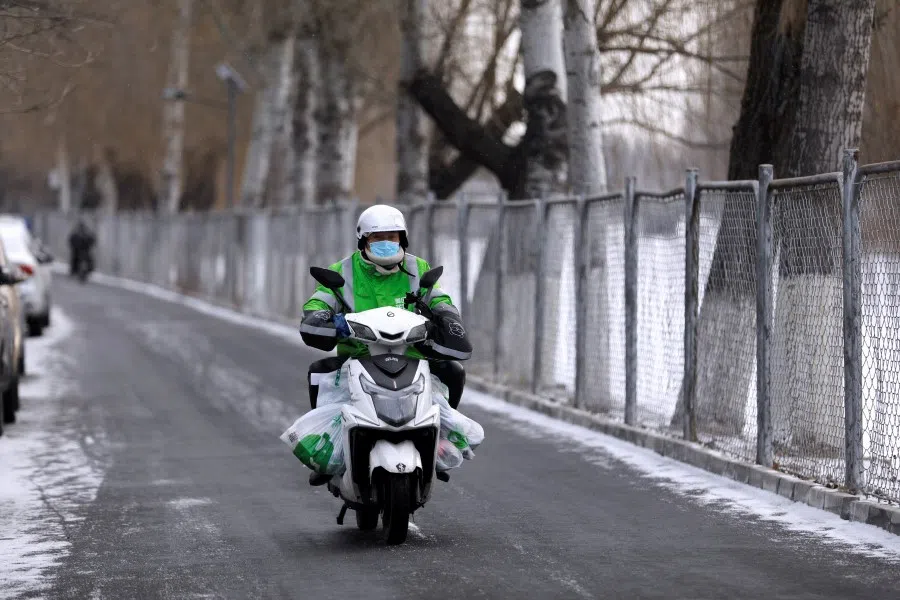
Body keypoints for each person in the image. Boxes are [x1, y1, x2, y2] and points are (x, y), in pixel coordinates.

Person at [299, 204, 472, 486]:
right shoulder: (341, 271)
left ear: (402, 238)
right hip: (358, 355)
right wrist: (323, 318)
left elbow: (438, 297)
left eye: (392, 237)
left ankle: (438, 438)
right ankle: (330, 449)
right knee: (319, 371)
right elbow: (319, 301)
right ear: (363, 240)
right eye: (377, 238)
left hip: (412, 354)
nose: (386, 243)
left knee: (453, 371)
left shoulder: (418, 268)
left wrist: (446, 315)